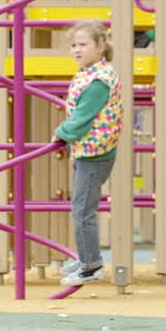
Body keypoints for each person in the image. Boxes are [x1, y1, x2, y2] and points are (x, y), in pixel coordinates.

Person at [51, 20, 125, 287]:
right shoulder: (90, 72)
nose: (76, 50)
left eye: (83, 45)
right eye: (73, 45)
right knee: (82, 206)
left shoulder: (99, 80)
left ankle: (91, 264)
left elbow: (83, 117)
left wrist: (61, 132)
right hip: (88, 151)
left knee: (82, 210)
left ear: (100, 46)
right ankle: (86, 256)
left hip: (95, 154)